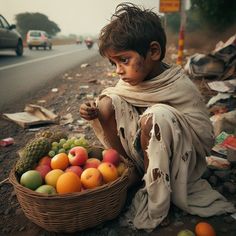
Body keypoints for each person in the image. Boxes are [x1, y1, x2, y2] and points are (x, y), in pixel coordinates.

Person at [79, 3, 235, 231]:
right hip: (142, 151)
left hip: (181, 159)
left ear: (153, 52)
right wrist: (91, 111)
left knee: (157, 116)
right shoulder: (129, 81)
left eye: (124, 60)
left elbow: (203, 136)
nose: (118, 71)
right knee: (105, 102)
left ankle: (157, 195)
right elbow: (119, 107)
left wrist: (158, 119)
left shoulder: (179, 85)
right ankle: (128, 170)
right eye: (114, 63)